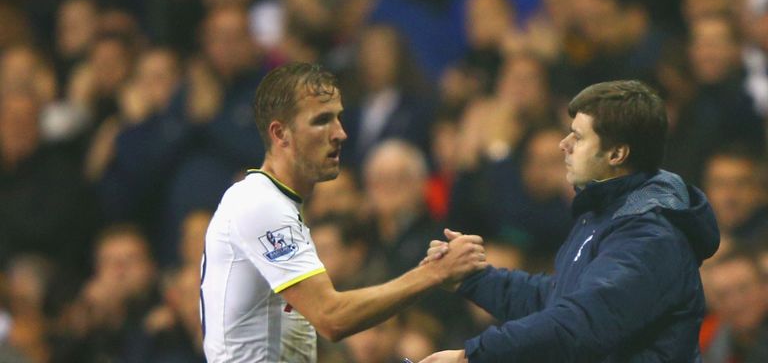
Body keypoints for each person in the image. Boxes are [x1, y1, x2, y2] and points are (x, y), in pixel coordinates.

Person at [200, 62, 487, 362]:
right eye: (322, 120)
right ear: (280, 133)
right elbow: (331, 317)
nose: (340, 133)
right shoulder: (260, 204)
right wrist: (435, 272)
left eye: (338, 118)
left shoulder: (278, 204)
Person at [420, 80, 720, 362]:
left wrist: (472, 355)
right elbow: (555, 298)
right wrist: (472, 278)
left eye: (578, 136)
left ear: (616, 153)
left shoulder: (650, 235)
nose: (564, 144)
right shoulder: (605, 213)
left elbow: (580, 324)